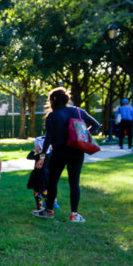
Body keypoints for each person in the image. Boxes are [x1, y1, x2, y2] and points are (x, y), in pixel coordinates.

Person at [34, 88, 100, 223]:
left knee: (53, 182)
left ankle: (49, 211)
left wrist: (42, 157)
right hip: (77, 152)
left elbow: (49, 138)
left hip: (59, 153)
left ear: (53, 100)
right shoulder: (78, 111)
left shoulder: (52, 116)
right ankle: (74, 215)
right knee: (74, 183)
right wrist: (84, 135)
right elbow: (96, 125)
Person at [26, 136, 49, 211]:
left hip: (38, 176)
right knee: (45, 191)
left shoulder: (39, 156)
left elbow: (29, 157)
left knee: (37, 192)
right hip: (46, 176)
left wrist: (34, 150)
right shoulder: (49, 155)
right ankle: (49, 206)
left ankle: (40, 207)